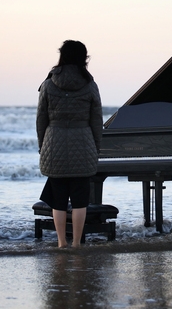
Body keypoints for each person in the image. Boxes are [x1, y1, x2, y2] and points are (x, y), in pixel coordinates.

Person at [36, 40, 103, 248]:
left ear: (62, 56)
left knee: (58, 199)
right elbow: (96, 120)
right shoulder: (90, 85)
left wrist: (42, 145)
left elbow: (41, 119)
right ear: (84, 58)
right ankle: (76, 244)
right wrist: (96, 146)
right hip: (83, 142)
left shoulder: (48, 84)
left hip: (53, 142)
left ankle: (61, 242)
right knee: (80, 199)